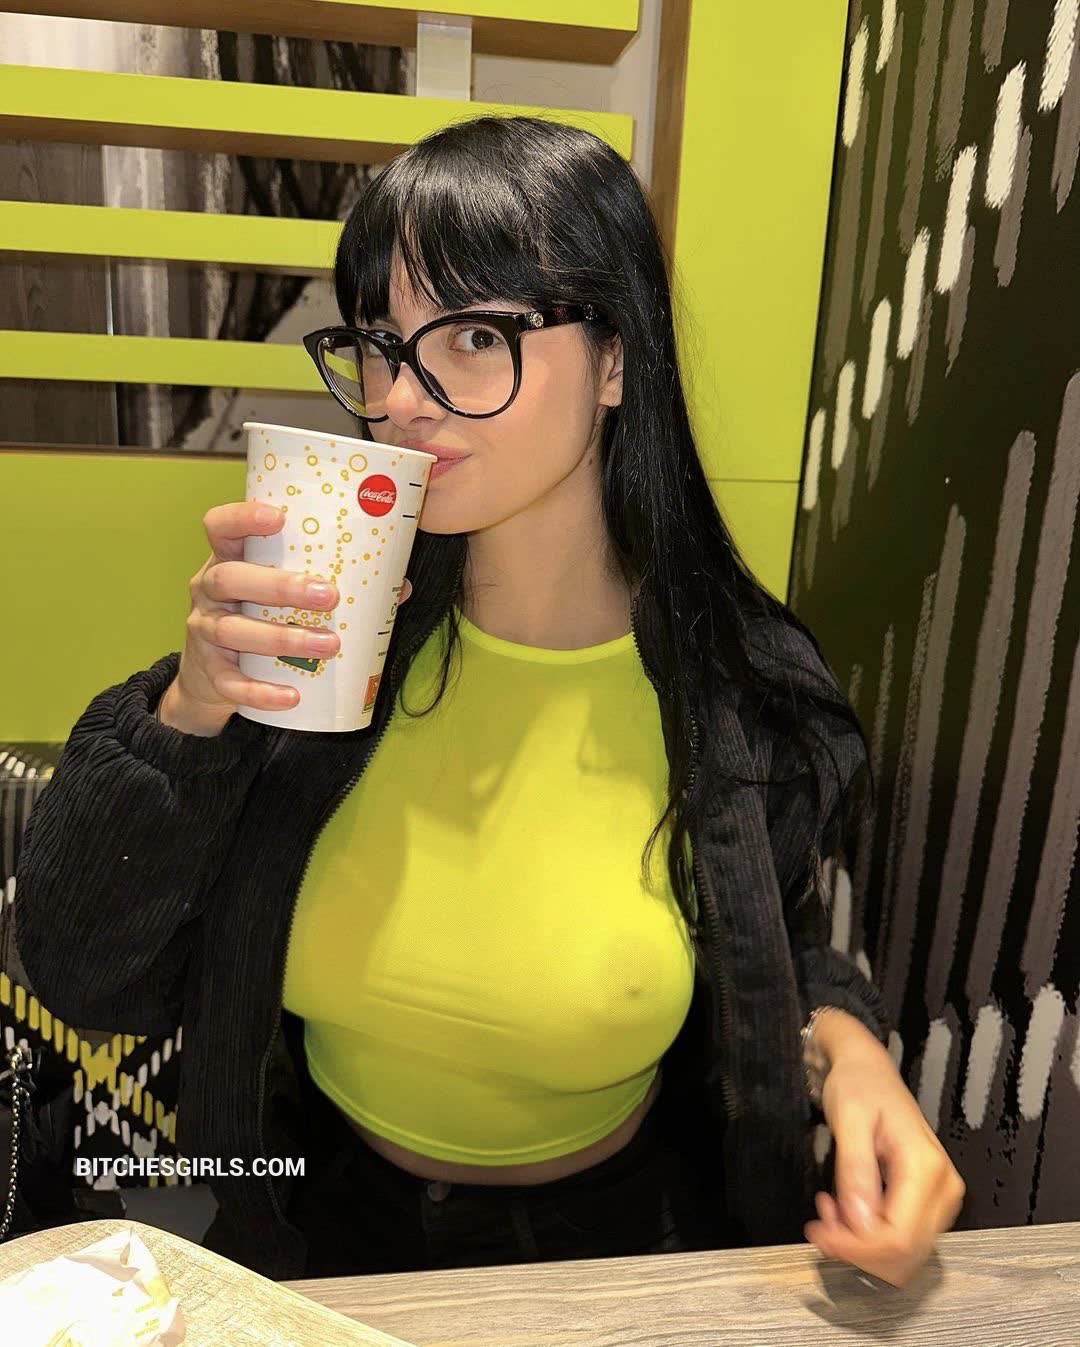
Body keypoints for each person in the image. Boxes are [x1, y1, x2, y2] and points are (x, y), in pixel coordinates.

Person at [14, 115, 963, 1287]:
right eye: (381, 343)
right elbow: (80, 973)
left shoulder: (732, 689)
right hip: (310, 1230)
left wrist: (851, 1054)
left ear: (616, 360)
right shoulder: (330, 635)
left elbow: (775, 938)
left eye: (473, 336)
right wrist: (190, 711)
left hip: (622, 1258)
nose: (401, 398)